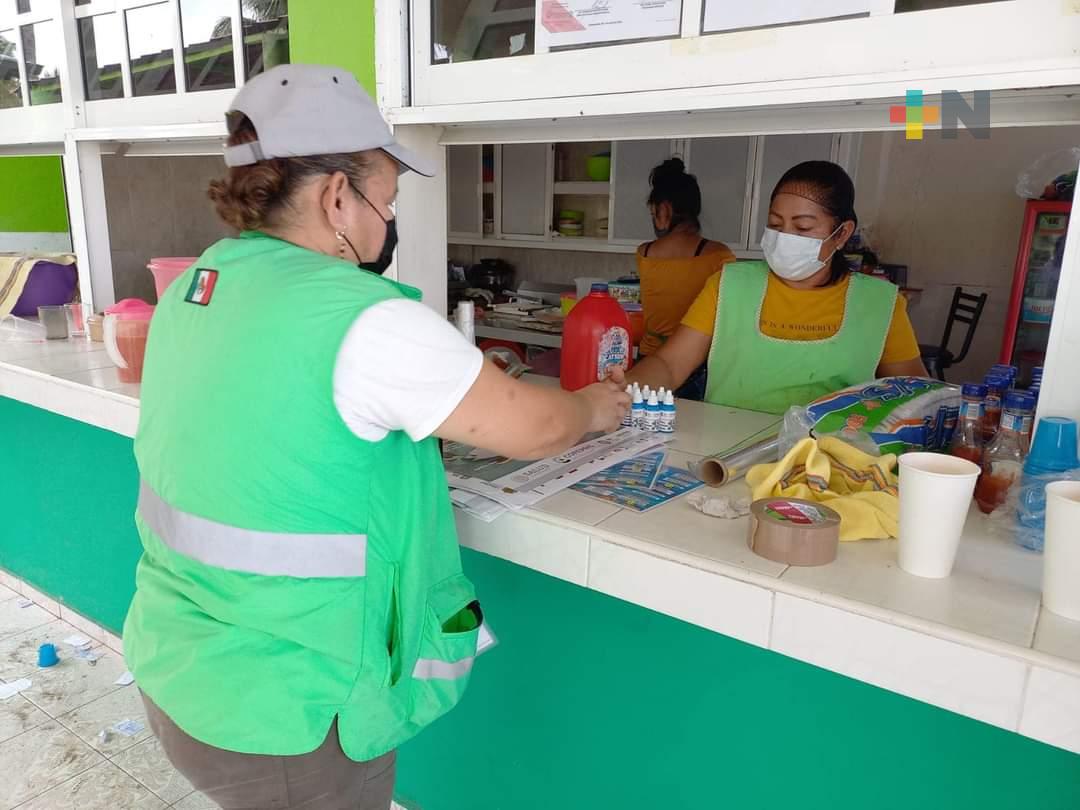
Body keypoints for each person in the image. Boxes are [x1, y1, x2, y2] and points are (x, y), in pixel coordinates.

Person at [123, 65, 628, 810]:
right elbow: (536, 426)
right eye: (386, 199)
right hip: (294, 713)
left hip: (185, 672)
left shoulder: (201, 286)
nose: (390, 221)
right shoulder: (362, 318)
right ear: (336, 196)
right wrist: (592, 405)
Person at [628, 160, 927, 414]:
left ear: (841, 234)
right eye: (775, 224)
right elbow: (669, 365)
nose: (785, 237)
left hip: (827, 467)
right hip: (724, 456)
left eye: (803, 228)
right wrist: (615, 391)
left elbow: (916, 397)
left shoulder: (878, 303)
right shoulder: (730, 285)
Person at [635, 158, 735, 399]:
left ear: (665, 210)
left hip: (649, 359)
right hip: (696, 363)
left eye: (653, 211)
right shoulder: (719, 255)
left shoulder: (645, 253)